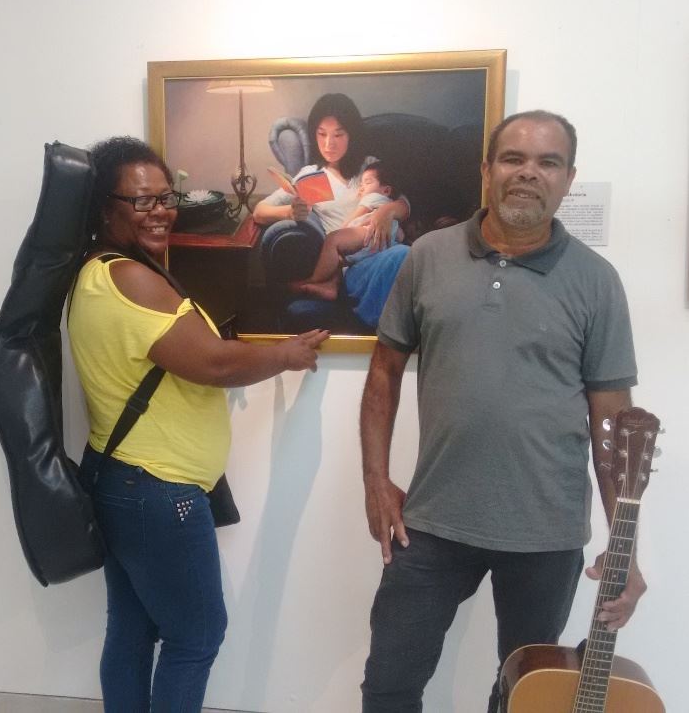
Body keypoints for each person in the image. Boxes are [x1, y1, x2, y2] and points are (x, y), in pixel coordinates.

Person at [358, 110, 645, 712]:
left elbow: (612, 425)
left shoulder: (596, 281)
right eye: (513, 158)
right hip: (432, 522)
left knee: (523, 695)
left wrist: (626, 545)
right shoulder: (428, 256)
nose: (528, 173)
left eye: (548, 162)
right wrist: (375, 480)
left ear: (568, 178)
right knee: (389, 683)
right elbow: (384, 371)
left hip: (546, 533)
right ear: (487, 169)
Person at [68, 136, 329, 712]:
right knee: (196, 637)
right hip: (156, 489)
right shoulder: (129, 279)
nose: (160, 211)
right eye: (141, 200)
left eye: (166, 197)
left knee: (133, 629)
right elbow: (212, 364)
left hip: (123, 481)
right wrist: (286, 355)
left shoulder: (99, 273)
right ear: (104, 208)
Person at [253, 93, 410, 328]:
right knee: (402, 256)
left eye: (338, 134)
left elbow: (405, 203)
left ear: (351, 134)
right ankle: (375, 328)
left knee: (405, 255)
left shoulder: (369, 166)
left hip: (382, 246)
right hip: (351, 265)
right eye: (322, 134)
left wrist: (387, 211)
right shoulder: (311, 176)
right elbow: (259, 211)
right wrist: (290, 212)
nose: (329, 144)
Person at [289, 161, 404, 300]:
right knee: (340, 260)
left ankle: (315, 279)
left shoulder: (373, 197)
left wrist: (341, 231)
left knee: (333, 240)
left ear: (386, 190)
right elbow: (399, 234)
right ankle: (332, 286)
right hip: (384, 242)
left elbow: (357, 215)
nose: (361, 187)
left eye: (367, 183)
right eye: (361, 183)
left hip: (368, 233)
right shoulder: (388, 203)